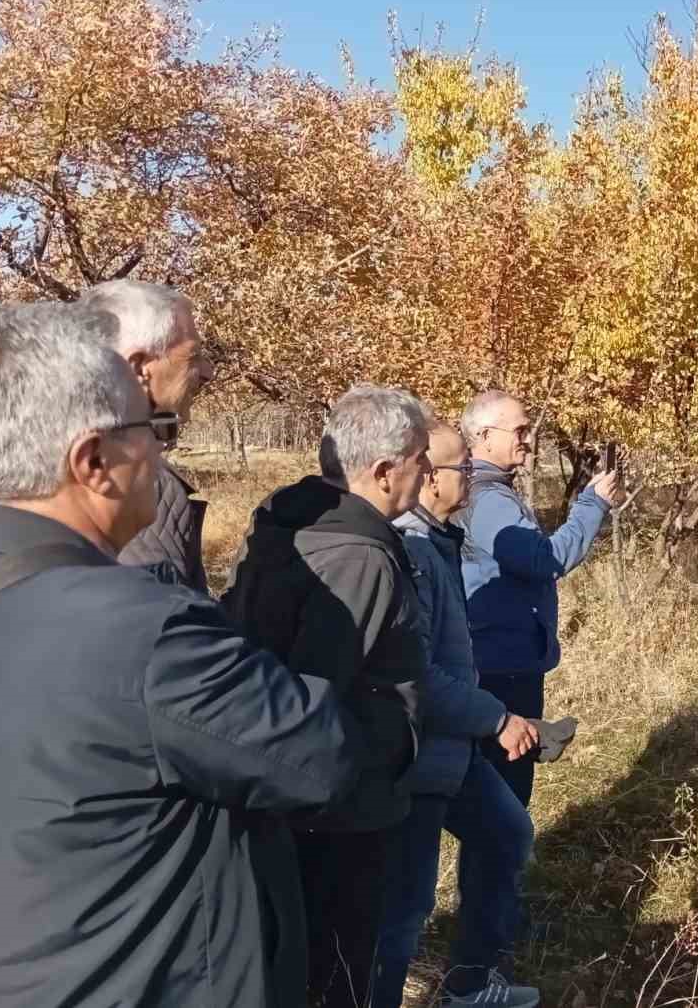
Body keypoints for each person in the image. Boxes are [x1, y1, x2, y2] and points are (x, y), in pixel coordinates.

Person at [0, 303, 359, 1008]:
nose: (161, 452)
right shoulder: (144, 633)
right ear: (94, 462)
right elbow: (319, 758)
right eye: (154, 430)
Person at [223, 384, 430, 1008]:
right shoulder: (360, 558)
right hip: (341, 810)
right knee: (338, 971)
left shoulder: (290, 525)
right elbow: (315, 693)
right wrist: (371, 765)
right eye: (421, 459)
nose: (427, 473)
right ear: (385, 470)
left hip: (304, 804)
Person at [375, 419, 540, 1008]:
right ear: (425, 479)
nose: (469, 476)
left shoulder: (440, 539)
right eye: (458, 467)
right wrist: (495, 718)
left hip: (449, 748)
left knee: (505, 833)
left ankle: (470, 983)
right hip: (418, 755)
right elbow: (416, 672)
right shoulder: (411, 551)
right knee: (405, 907)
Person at [458, 390, 615, 808]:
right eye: (521, 430)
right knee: (505, 793)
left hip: (495, 655)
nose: (528, 439)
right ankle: (505, 868)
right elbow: (542, 560)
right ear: (484, 435)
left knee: (495, 789)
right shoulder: (489, 498)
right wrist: (591, 504)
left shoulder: (482, 489)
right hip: (500, 664)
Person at [80, 279, 216, 590]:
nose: (208, 372)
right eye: (192, 357)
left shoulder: (33, 458)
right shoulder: (138, 477)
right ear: (140, 368)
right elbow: (161, 626)